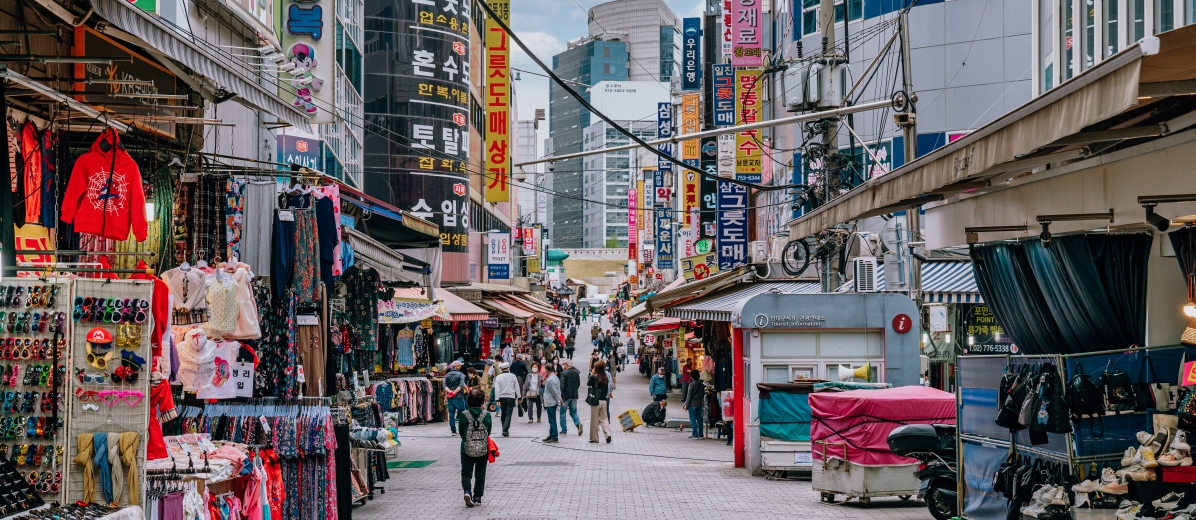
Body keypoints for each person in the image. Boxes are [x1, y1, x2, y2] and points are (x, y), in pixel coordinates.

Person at [459, 388, 491, 507]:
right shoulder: (487, 415)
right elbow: (489, 431)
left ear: (468, 402)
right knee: (480, 473)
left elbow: (461, 432)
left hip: (466, 449)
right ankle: (477, 497)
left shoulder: (463, 415)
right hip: (483, 448)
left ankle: (467, 492)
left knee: (466, 473)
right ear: (482, 402)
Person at [492, 362, 521, 437]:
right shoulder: (513, 376)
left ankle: (504, 428)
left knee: (503, 413)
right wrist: (519, 397)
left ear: (501, 369)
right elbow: (517, 387)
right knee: (508, 414)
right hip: (511, 397)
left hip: (501, 397)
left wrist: (497, 399)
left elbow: (497, 389)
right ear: (508, 368)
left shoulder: (498, 377)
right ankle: (505, 430)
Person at [587, 360, 612, 444]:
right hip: (604, 400)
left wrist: (592, 374)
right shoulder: (606, 377)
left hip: (595, 401)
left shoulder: (594, 377)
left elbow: (588, 383)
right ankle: (608, 434)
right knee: (604, 418)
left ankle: (594, 438)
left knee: (594, 420)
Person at [560, 359, 582, 436]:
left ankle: (564, 430)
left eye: (564, 364)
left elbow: (562, 385)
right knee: (573, 412)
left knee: (562, 413)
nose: (563, 366)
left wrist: (561, 396)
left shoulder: (564, 373)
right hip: (574, 396)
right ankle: (578, 424)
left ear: (566, 365)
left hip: (565, 396)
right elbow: (578, 384)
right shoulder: (576, 373)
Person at [445, 361, 468, 436]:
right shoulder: (461, 374)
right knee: (463, 413)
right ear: (457, 366)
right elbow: (461, 385)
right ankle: (464, 429)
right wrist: (455, 392)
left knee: (451, 414)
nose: (460, 367)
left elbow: (444, 385)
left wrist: (450, 392)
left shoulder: (447, 375)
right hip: (459, 397)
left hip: (450, 397)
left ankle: (453, 430)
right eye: (459, 366)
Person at [542, 365, 562, 443]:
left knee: (552, 420)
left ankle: (554, 436)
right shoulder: (555, 377)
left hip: (550, 402)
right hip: (552, 401)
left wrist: (558, 400)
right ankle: (551, 435)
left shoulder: (550, 379)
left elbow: (554, 391)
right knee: (552, 419)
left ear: (546, 370)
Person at [682, 370, 705, 439]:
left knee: (692, 419)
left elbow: (689, 396)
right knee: (699, 419)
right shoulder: (702, 385)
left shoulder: (691, 385)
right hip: (699, 404)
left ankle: (694, 434)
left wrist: (686, 404)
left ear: (691, 377)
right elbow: (702, 395)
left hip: (692, 404)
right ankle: (700, 434)